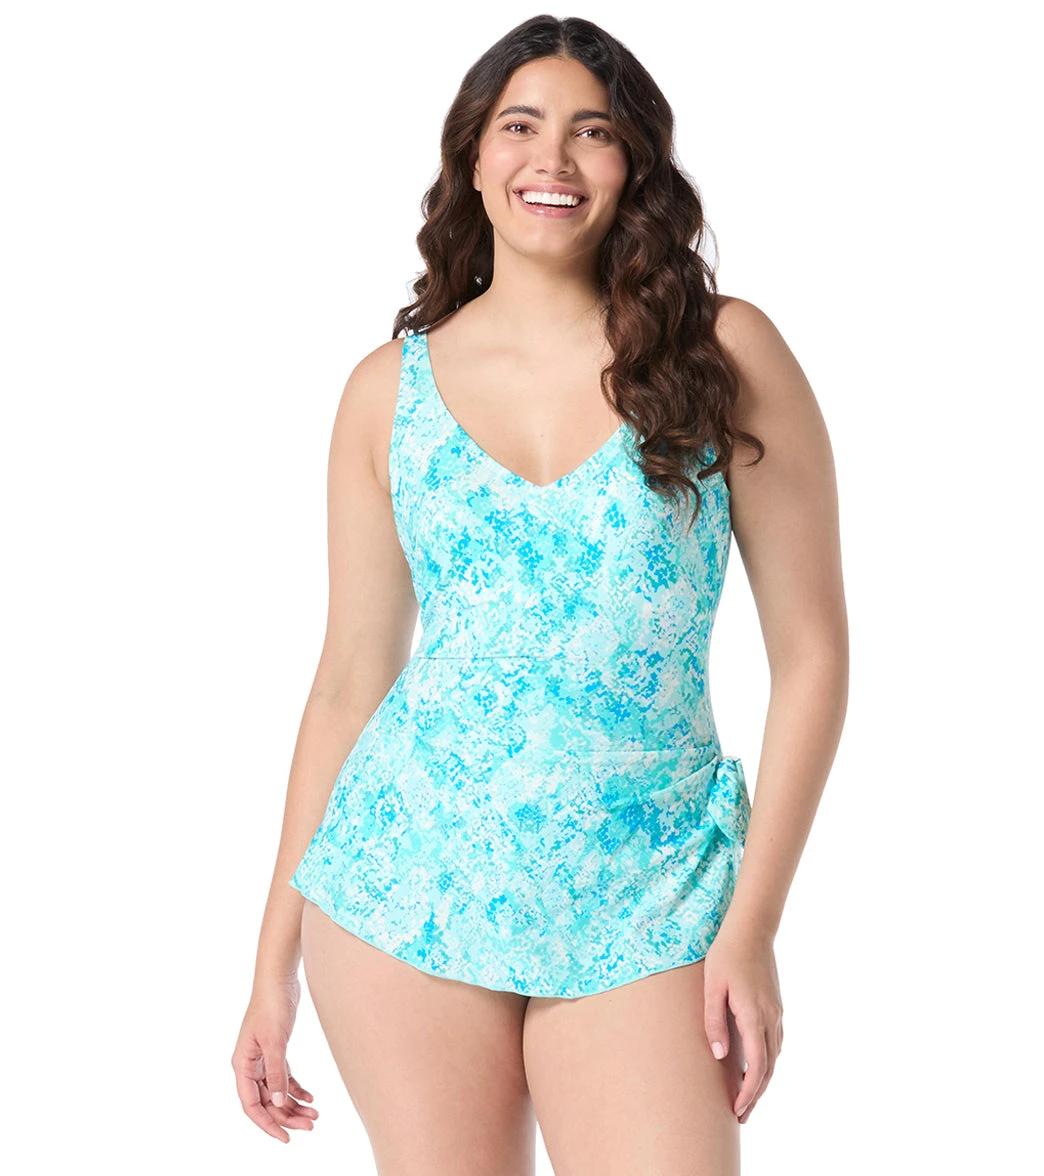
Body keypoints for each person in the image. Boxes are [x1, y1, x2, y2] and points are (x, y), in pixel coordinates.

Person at [231, 14, 847, 1174]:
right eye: (519, 127)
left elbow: (813, 656)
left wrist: (754, 926)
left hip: (651, 892)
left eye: (592, 132)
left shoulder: (725, 354)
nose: (552, 159)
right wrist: (273, 968)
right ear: (474, 157)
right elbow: (350, 680)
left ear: (634, 166)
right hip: (405, 886)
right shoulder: (386, 392)